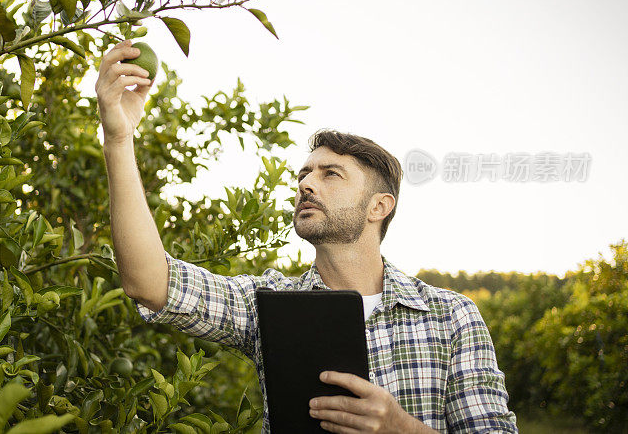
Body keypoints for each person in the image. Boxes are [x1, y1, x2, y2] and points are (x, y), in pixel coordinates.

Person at [96, 39, 518, 433]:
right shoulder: (270, 304)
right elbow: (149, 282)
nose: (305, 184)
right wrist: (119, 137)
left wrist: (398, 427)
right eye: (304, 174)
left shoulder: (451, 316)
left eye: (330, 174)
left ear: (379, 207)